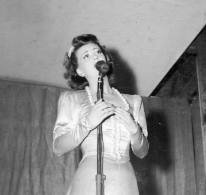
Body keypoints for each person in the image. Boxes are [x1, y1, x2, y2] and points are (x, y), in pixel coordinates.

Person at [53, 34, 149, 195]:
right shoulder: (72, 99)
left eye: (97, 51)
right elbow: (58, 148)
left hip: (125, 181)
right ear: (79, 71)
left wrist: (135, 131)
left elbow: (142, 152)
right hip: (89, 178)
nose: (95, 56)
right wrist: (87, 123)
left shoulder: (134, 101)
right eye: (86, 56)